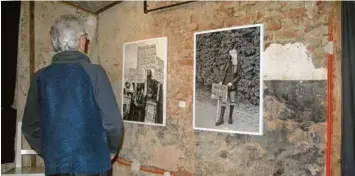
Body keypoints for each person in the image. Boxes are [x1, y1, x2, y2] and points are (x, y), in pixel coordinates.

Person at [21, 15, 123, 176]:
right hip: (94, 165)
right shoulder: (95, 73)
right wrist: (110, 150)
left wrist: (50, 152)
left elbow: (29, 127)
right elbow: (113, 123)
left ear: (55, 43)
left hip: (57, 166)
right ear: (82, 40)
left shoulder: (39, 77)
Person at [216, 47, 242, 126]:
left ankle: (230, 117)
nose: (230, 55)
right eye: (229, 53)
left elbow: (239, 76)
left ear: (235, 54)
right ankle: (221, 119)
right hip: (224, 85)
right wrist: (221, 80)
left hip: (232, 86)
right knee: (223, 101)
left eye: (231, 53)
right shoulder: (228, 62)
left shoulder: (238, 64)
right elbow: (223, 72)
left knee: (232, 101)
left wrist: (232, 82)